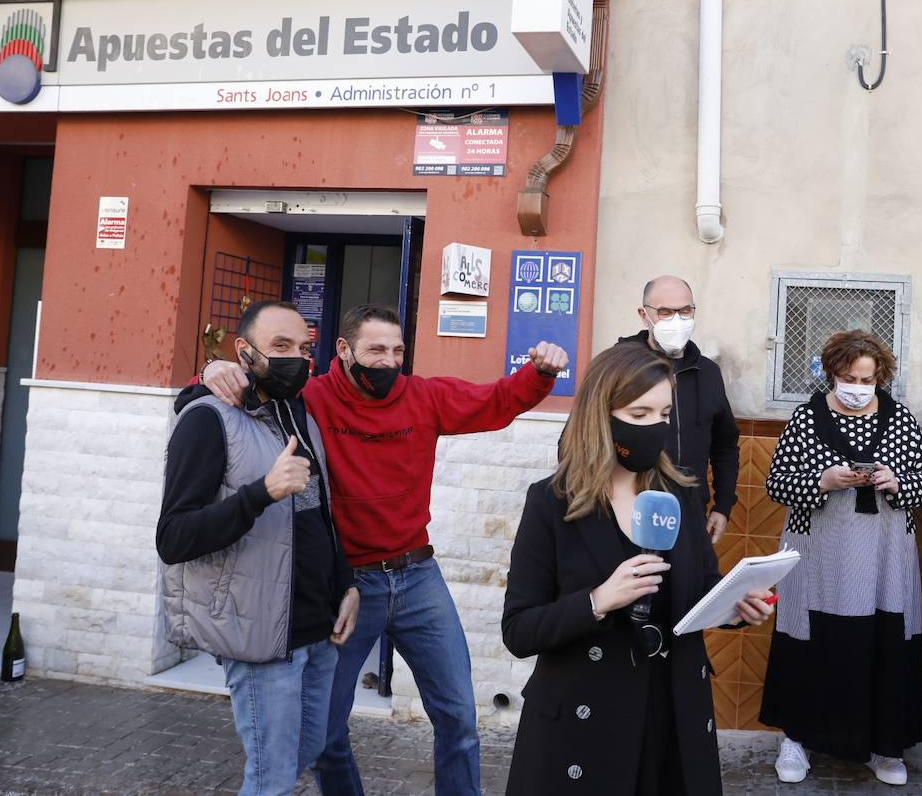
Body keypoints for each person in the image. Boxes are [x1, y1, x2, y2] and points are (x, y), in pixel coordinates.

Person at [185, 304, 569, 796]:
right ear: (343, 351)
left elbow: (494, 401)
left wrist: (538, 374)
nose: (388, 362)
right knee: (326, 727)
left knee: (458, 715)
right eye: (376, 350)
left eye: (397, 351)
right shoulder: (311, 397)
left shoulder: (423, 396)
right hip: (350, 586)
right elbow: (245, 390)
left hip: (417, 576)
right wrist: (211, 371)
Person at [501, 342, 774, 795]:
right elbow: (519, 630)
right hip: (585, 726)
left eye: (665, 415)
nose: (656, 428)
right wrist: (597, 601)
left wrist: (735, 605)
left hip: (672, 716)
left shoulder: (682, 494)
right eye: (640, 414)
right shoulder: (551, 503)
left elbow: (702, 589)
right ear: (600, 415)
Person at [157, 300, 360, 796]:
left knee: (303, 756)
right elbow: (174, 537)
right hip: (261, 635)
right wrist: (261, 493)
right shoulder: (208, 419)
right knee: (270, 779)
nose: (296, 359)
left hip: (317, 628)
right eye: (281, 347)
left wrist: (347, 585)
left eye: (304, 348)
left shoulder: (299, 414)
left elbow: (319, 515)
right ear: (244, 353)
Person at [759, 330, 922, 787]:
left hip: (884, 558)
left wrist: (898, 480)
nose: (858, 386)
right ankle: (797, 739)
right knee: (807, 642)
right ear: (832, 374)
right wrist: (823, 482)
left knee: (883, 643)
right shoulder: (806, 418)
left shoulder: (899, 418)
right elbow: (776, 483)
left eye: (868, 378)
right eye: (849, 377)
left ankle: (885, 746)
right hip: (816, 557)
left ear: (879, 376)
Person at [619, 275, 740, 545]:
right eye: (665, 312)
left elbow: (725, 446)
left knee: (691, 587)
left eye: (685, 311)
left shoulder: (708, 373)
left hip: (689, 515)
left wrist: (723, 506)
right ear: (644, 315)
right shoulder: (618, 369)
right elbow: (580, 439)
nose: (677, 320)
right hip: (627, 515)